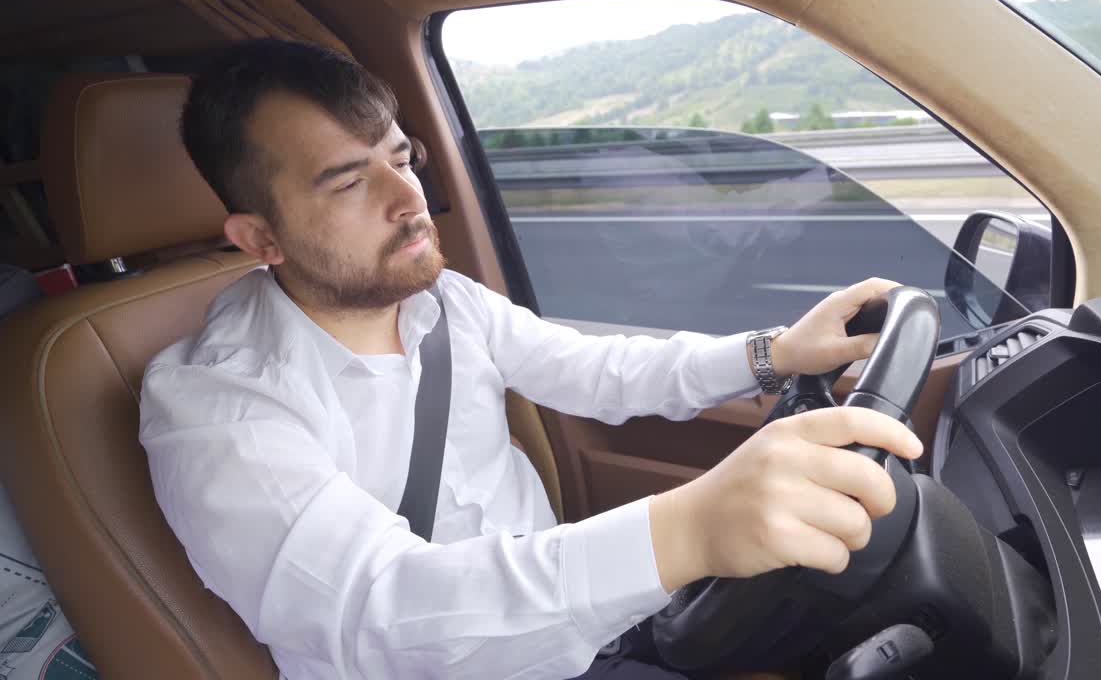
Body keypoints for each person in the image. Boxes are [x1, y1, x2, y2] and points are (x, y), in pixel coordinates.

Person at [138, 39, 923, 680]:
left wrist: (774, 352)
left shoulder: (444, 300)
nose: (406, 197)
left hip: (591, 630)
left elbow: (597, 370)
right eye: (349, 182)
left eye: (400, 157)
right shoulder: (218, 407)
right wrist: (684, 531)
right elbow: (378, 608)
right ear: (261, 239)